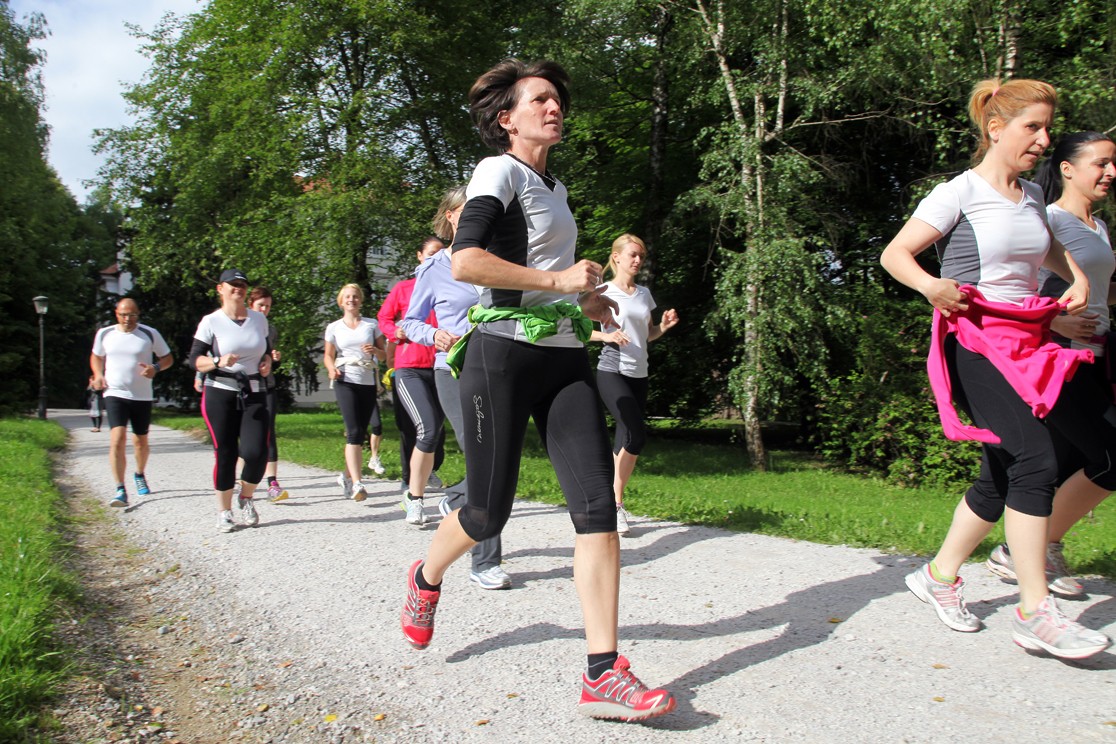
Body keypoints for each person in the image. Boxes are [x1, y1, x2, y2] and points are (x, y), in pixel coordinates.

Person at [399, 59, 676, 720]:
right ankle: (425, 577)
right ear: (507, 118)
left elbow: (548, 278)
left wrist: (585, 303)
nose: (555, 108)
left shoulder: (557, 186)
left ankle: (602, 672)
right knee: (486, 514)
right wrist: (559, 283)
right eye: (540, 99)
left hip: (563, 358)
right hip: (498, 357)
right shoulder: (497, 171)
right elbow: (465, 261)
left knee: (597, 507)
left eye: (558, 100)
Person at [879, 78, 1114, 659]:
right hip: (977, 342)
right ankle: (1036, 612)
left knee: (1004, 473)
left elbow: (1045, 249)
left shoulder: (1031, 196)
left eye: (1047, 129)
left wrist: (1075, 276)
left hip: (1030, 345)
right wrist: (931, 286)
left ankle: (938, 575)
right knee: (1035, 460)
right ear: (995, 128)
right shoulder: (958, 192)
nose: (1044, 140)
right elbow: (895, 254)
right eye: (1032, 127)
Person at [985, 131, 1116, 596]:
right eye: (1101, 163)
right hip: (1058, 359)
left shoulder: (1097, 227)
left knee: (1057, 463)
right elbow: (1019, 289)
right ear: (1067, 169)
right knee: (1109, 459)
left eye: (1113, 163)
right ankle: (1030, 550)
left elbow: (1097, 293)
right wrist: (1055, 322)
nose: (1111, 172)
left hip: (1096, 358)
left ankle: (1014, 551)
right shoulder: (1050, 221)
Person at [400, 186, 511, 588]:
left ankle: (456, 499)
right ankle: (485, 562)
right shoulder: (434, 268)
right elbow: (409, 321)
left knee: (500, 459)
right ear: (451, 217)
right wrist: (434, 335)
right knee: (484, 457)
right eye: (469, 210)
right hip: (453, 369)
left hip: (496, 367)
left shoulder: (497, 257)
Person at [590, 234, 679, 536]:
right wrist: (606, 336)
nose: (638, 260)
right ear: (616, 257)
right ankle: (614, 503)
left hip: (640, 374)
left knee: (626, 439)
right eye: (632, 255)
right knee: (635, 434)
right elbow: (576, 329)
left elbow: (647, 334)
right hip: (612, 369)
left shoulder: (644, 294)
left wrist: (663, 327)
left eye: (641, 255)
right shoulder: (602, 291)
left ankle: (613, 503)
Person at [190, 269, 272, 533]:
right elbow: (195, 360)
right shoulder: (211, 322)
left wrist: (267, 362)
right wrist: (217, 361)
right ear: (220, 289)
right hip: (219, 391)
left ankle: (246, 497)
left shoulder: (259, 319)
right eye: (233, 284)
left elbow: (266, 351)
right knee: (225, 452)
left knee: (256, 452)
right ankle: (224, 512)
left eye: (242, 285)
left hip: (253, 390)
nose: (238, 288)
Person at [377, 240, 447, 523]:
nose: (436, 258)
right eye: (431, 254)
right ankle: (411, 489)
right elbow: (384, 318)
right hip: (410, 368)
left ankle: (428, 469)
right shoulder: (404, 288)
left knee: (438, 430)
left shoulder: (449, 285)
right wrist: (395, 332)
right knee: (423, 428)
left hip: (442, 366)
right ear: (419, 256)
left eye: (440, 253)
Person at [90, 298, 174, 507]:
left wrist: (155, 368)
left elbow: (168, 358)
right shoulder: (105, 333)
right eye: (123, 315)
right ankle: (120, 489)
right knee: (117, 438)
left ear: (138, 314)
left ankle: (139, 473)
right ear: (116, 314)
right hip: (114, 392)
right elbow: (96, 356)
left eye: (132, 315)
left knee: (140, 441)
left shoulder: (149, 333)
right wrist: (98, 375)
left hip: (141, 395)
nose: (128, 319)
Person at [323, 284, 386, 502]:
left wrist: (375, 351)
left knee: (360, 432)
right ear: (341, 302)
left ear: (361, 300)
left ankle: (346, 476)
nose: (352, 300)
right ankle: (358, 483)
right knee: (353, 432)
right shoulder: (334, 327)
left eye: (356, 296)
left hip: (366, 381)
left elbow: (384, 355)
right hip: (345, 379)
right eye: (348, 297)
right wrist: (331, 369)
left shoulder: (371, 324)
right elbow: (328, 355)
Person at [247, 286, 289, 502]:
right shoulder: (240, 326)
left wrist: (273, 357)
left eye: (268, 306)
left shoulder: (270, 329)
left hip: (267, 386)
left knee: (269, 431)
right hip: (244, 387)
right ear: (251, 305)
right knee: (245, 435)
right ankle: (243, 477)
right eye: (261, 305)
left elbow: (267, 355)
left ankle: (272, 482)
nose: (264, 310)